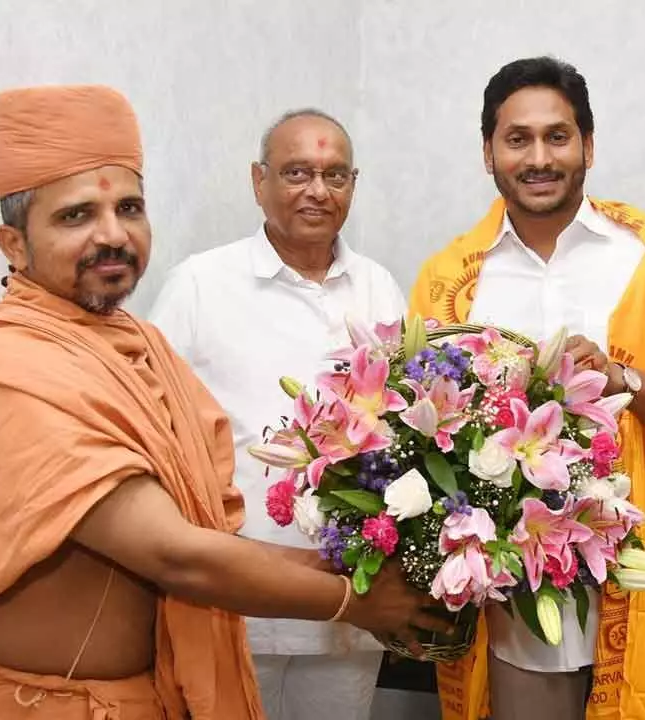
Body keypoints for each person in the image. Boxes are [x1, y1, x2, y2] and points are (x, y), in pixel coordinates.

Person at [0, 84, 445, 720]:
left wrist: (340, 568)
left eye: (130, 208)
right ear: (14, 244)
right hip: (29, 703)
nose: (113, 235)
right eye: (76, 216)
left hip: (143, 692)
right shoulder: (6, 373)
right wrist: (353, 600)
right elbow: (173, 552)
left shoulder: (137, 347)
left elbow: (197, 524)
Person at [409, 56, 645, 720]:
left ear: (588, 145)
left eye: (557, 137)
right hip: (513, 612)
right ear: (488, 153)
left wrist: (622, 379)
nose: (538, 157)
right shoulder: (450, 281)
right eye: (517, 138)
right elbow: (419, 434)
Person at [149, 108, 405, 720]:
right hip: (234, 599)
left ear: (354, 184)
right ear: (258, 181)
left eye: (335, 175)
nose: (318, 190)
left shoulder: (378, 287)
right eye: (296, 173)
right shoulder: (200, 284)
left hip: (349, 600)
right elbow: (149, 421)